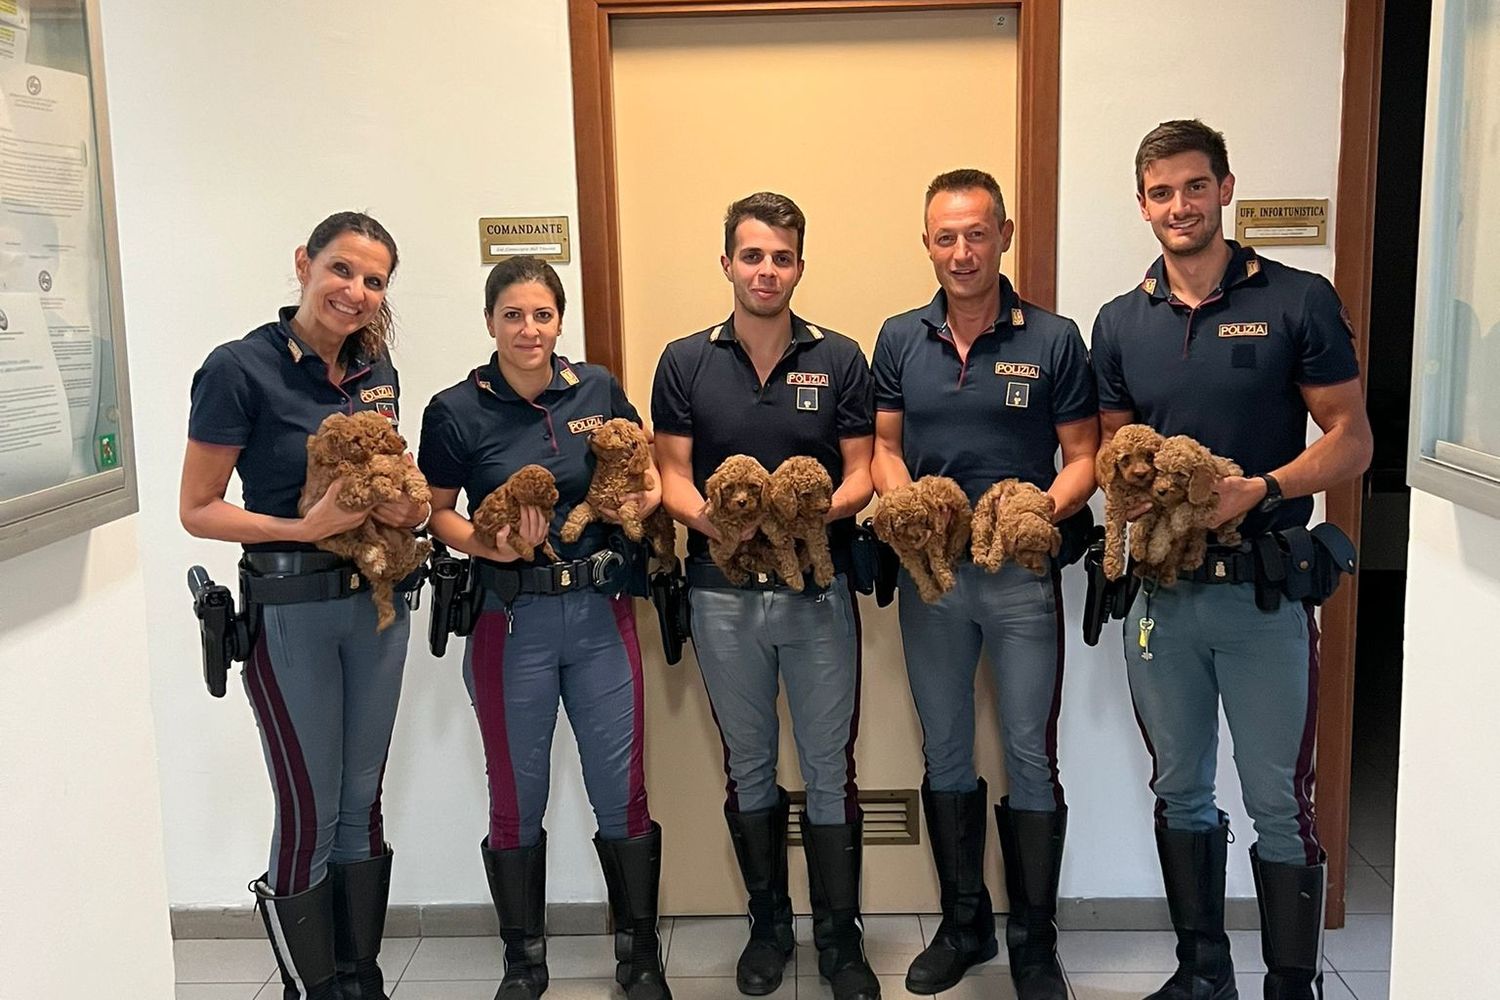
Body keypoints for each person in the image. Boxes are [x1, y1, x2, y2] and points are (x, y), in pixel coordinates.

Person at [1092, 120, 1373, 1000]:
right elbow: (1113, 452)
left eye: (1194, 186)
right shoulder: (1118, 321)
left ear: (1224, 188)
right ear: (1142, 205)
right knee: (1180, 789)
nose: (1180, 205)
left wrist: (1262, 487)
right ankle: (1201, 971)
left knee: (1279, 802)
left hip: (1263, 599)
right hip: (1163, 600)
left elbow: (1352, 440)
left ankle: (1292, 983)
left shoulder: (1297, 298)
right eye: (1161, 192)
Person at [181, 212, 426, 1000]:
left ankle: (360, 977)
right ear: (304, 264)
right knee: (310, 806)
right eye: (342, 270)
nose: (355, 292)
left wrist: (405, 511)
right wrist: (301, 526)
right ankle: (311, 988)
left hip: (378, 608)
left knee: (362, 799)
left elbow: (397, 474)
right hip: (292, 612)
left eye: (374, 280)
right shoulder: (238, 367)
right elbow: (198, 508)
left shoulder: (375, 367)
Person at [869, 169, 1099, 999]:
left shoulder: (1054, 338)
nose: (961, 252)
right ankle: (963, 925)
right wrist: (901, 500)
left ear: (1003, 234)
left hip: (1019, 578)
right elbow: (884, 445)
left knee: (1031, 756)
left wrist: (1037, 508)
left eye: (976, 234)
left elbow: (1085, 458)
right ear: (926, 243)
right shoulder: (898, 337)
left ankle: (1034, 939)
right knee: (948, 751)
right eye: (944, 237)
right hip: (934, 578)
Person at [417, 256, 670, 1000]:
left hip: (599, 613)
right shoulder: (454, 409)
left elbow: (644, 470)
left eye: (543, 315)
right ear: (491, 321)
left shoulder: (596, 388)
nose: (529, 330)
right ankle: (523, 962)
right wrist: (483, 542)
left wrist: (641, 502)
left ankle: (639, 953)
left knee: (619, 788)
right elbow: (435, 511)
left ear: (560, 321)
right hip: (510, 620)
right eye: (513, 315)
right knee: (516, 797)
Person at [652, 192, 879, 1000]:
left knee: (827, 767)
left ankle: (841, 939)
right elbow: (668, 475)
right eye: (752, 256)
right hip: (720, 594)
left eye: (781, 257)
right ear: (727, 264)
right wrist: (715, 525)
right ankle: (769, 927)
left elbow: (862, 471)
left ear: (800, 267)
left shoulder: (840, 356)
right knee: (749, 767)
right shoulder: (685, 360)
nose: (766, 271)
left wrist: (813, 514)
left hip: (817, 590)